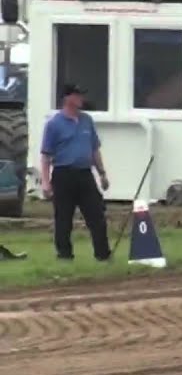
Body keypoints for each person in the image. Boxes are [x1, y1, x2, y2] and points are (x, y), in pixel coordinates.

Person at [39, 84, 111, 261]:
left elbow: (94, 149)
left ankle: (103, 254)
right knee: (64, 218)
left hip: (84, 174)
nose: (81, 99)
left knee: (96, 215)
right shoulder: (54, 124)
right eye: (77, 95)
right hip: (63, 175)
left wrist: (102, 173)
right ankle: (64, 255)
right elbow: (46, 156)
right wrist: (46, 182)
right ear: (67, 98)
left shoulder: (87, 120)